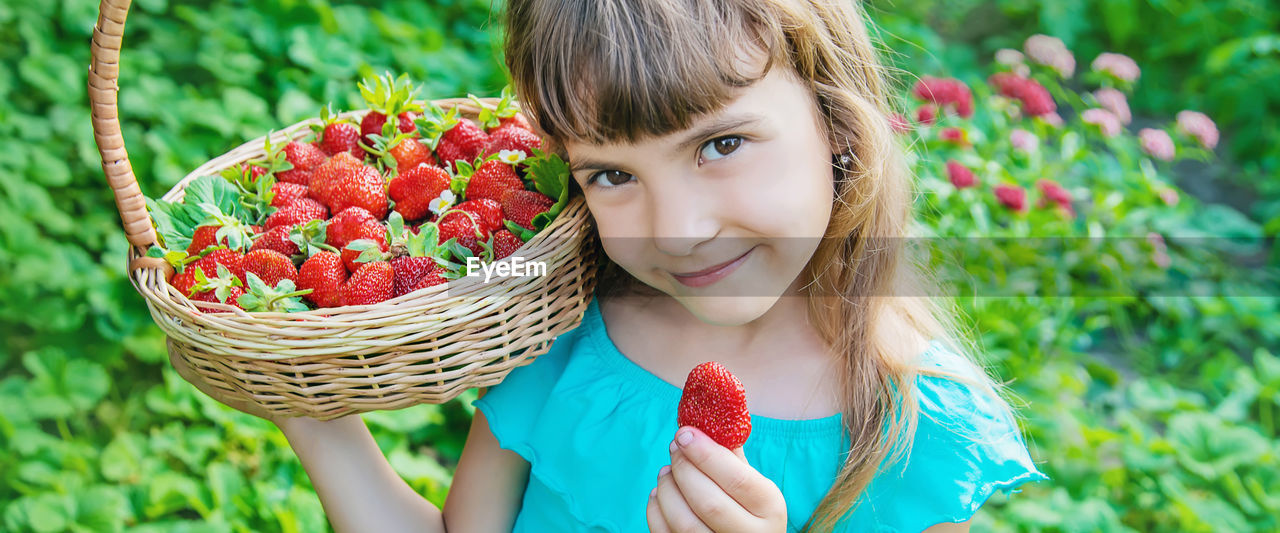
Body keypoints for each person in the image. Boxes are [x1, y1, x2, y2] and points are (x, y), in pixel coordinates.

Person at [172, 0, 1048, 531]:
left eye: (722, 143)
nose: (678, 229)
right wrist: (311, 408)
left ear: (838, 124)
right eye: (613, 174)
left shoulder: (913, 428)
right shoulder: (567, 333)